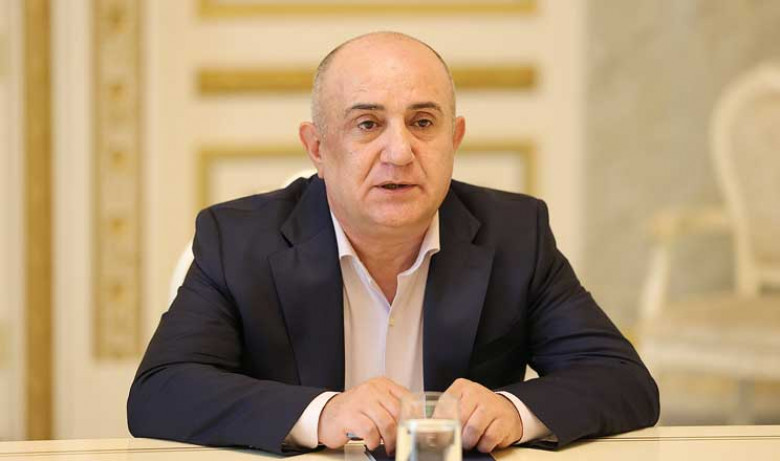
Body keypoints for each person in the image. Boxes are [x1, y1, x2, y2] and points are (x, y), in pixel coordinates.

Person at [127, 32, 659, 455]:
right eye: (368, 124)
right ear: (318, 147)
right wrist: (323, 414)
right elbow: (161, 391)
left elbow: (622, 381)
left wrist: (512, 411)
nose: (400, 152)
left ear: (454, 140)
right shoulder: (239, 239)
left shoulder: (515, 234)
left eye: (423, 122)